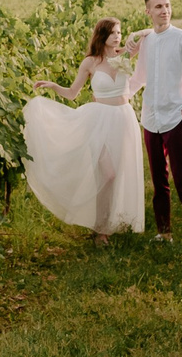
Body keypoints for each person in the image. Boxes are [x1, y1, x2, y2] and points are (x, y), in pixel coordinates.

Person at [23, 17, 147, 242]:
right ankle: (99, 227)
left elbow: (149, 34)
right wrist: (53, 86)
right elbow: (72, 93)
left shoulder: (125, 55)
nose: (117, 36)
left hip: (124, 119)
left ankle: (108, 227)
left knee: (120, 174)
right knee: (107, 174)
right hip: (98, 121)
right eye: (112, 33)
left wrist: (131, 37)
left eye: (119, 32)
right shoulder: (90, 62)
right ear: (102, 36)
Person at [132, 0, 182, 253]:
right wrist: (120, 97)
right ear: (148, 12)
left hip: (175, 115)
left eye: (167, 5)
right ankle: (164, 232)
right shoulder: (147, 41)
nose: (165, 10)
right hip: (151, 117)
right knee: (158, 179)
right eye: (159, 6)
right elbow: (139, 76)